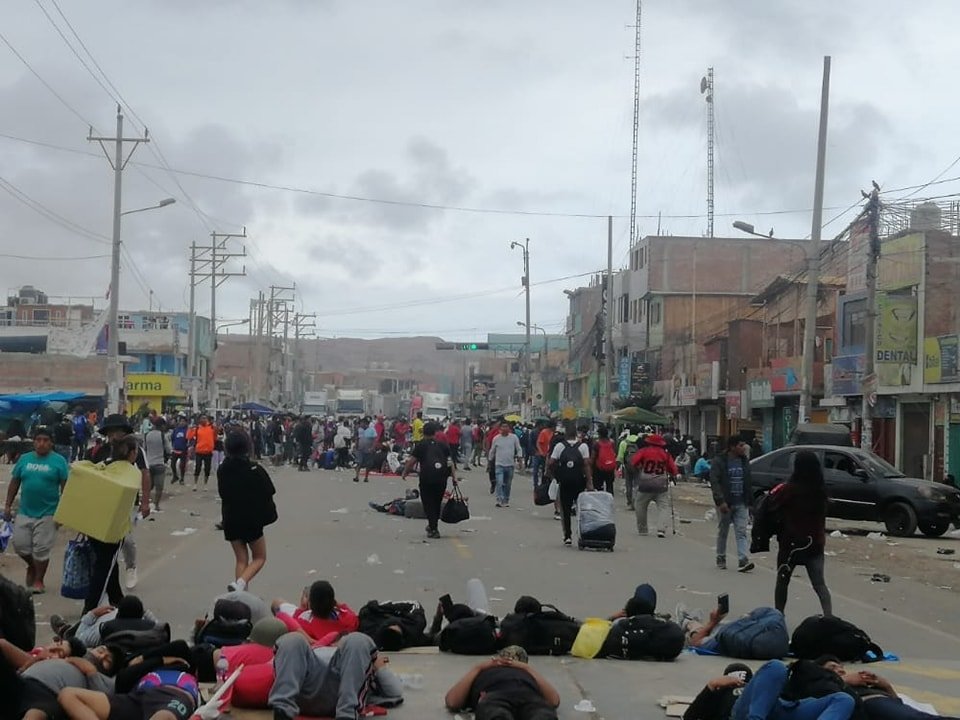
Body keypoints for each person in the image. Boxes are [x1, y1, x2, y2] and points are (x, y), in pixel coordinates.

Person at [84, 432, 151, 613]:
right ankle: (89, 610)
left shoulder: (103, 466)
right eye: (135, 451)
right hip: (113, 527)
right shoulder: (131, 472)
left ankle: (116, 599)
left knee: (107, 565)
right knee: (104, 569)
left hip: (94, 523)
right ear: (130, 453)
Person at [58, 640, 200, 720]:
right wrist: (157, 660)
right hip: (135, 699)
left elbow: (180, 646)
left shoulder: (180, 663)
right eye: (102, 654)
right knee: (68, 694)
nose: (102, 656)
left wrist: (145, 658)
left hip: (172, 693)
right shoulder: (120, 676)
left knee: (163, 717)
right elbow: (123, 679)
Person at [3, 427, 69, 594]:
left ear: (51, 443)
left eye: (45, 440)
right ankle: (32, 566)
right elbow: (14, 483)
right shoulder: (25, 459)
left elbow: (66, 489)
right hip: (25, 511)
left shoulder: (59, 461)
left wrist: (64, 512)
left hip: (48, 512)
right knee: (19, 545)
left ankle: (39, 580)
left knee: (41, 550)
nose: (41, 443)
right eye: (38, 440)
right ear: (34, 442)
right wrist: (8, 506)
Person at [769, 450, 832, 617]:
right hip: (814, 544)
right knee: (819, 585)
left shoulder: (788, 490)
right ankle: (829, 617)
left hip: (790, 544)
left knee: (782, 582)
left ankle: (778, 617)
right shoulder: (820, 492)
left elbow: (772, 507)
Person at [218, 431, 278, 593]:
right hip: (252, 521)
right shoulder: (255, 469)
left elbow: (223, 493)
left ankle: (240, 595)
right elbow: (270, 490)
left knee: (241, 560)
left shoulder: (222, 469)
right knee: (259, 557)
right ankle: (241, 584)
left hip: (231, 519)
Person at [0, 641, 120, 720]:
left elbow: (103, 700)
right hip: (24, 680)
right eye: (101, 650)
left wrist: (91, 673)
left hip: (48, 693)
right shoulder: (71, 652)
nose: (101, 656)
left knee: (35, 714)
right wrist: (32, 663)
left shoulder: (102, 678)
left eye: (107, 661)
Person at [444, 645, 560, 720]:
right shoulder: (485, 671)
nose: (508, 660)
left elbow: (554, 700)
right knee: (496, 715)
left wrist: (526, 669)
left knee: (543, 716)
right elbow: (453, 701)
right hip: (496, 696)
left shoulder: (527, 673)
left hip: (528, 697)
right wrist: (479, 668)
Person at [819, 656, 953, 720]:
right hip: (869, 703)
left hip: (884, 703)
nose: (840, 670)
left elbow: (897, 702)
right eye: (833, 667)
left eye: (841, 667)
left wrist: (885, 685)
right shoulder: (820, 683)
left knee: (920, 717)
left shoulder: (856, 682)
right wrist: (845, 680)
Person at [402, 421, 457, 539]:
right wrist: (454, 477)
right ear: (435, 432)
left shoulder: (421, 445)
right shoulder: (443, 445)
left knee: (428, 503)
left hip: (427, 478)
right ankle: (433, 526)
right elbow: (449, 462)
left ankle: (433, 528)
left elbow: (412, 461)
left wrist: (405, 472)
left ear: (423, 432)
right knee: (436, 502)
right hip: (441, 478)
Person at [710, 436, 755, 573]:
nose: (743, 448)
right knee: (723, 531)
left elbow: (748, 482)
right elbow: (715, 482)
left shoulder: (744, 461)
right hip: (726, 503)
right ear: (732, 447)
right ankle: (721, 557)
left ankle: (743, 559)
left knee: (741, 531)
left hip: (741, 502)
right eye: (741, 445)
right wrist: (720, 501)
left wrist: (750, 502)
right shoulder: (720, 461)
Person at [548, 424, 593, 546]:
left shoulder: (559, 446)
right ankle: (582, 534)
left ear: (566, 434)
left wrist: (555, 475)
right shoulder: (583, 446)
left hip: (565, 482)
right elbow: (586, 465)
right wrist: (589, 482)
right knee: (581, 509)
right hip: (579, 482)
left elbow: (551, 462)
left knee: (565, 509)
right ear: (576, 434)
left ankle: (567, 536)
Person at [272, 580, 360, 642]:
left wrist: (302, 607)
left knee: (277, 602)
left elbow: (292, 622)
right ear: (333, 602)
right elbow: (349, 613)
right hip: (324, 612)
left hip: (305, 616)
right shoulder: (349, 622)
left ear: (310, 605)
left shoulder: (305, 625)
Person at [628, 433, 678, 538]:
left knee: (640, 505)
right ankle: (661, 529)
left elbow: (633, 462)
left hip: (645, 484)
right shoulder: (665, 454)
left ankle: (643, 529)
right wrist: (671, 474)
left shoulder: (643, 451)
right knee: (663, 507)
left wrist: (639, 468)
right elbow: (673, 470)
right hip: (661, 485)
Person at [489, 421, 522, 508]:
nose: (504, 428)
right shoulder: (496, 438)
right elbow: (492, 451)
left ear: (509, 428)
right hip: (499, 464)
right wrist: (490, 461)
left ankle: (506, 499)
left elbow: (518, 449)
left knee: (508, 484)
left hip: (510, 465)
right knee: (499, 482)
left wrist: (520, 459)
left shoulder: (514, 438)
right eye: (503, 427)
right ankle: (499, 499)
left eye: (506, 427)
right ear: (500, 429)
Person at [142, 418, 171, 512]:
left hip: (149, 464)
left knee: (148, 487)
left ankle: (145, 503)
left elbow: (144, 449)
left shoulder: (147, 435)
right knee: (159, 487)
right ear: (161, 425)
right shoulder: (163, 436)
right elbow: (168, 450)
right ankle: (156, 505)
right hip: (159, 464)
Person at [617, 426, 642, 510]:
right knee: (637, 484)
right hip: (638, 466)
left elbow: (620, 457)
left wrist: (618, 466)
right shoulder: (640, 442)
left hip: (627, 466)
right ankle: (636, 501)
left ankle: (629, 502)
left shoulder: (624, 443)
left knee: (628, 484)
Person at [591, 424, 618, 495]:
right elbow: (614, 453)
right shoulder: (612, 443)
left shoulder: (596, 444)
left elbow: (593, 457)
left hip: (598, 469)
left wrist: (590, 468)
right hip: (610, 468)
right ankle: (610, 501)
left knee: (598, 487)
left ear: (599, 434)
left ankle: (600, 503)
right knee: (609, 486)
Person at [191, 415, 216, 489]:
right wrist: (191, 429)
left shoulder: (212, 428)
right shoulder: (197, 428)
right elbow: (189, 436)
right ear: (199, 420)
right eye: (202, 418)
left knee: (207, 469)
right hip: (199, 451)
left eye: (205, 418)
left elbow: (215, 437)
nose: (204, 420)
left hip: (208, 451)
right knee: (197, 467)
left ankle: (205, 484)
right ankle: (195, 484)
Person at [353, 418, 377, 483]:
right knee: (359, 462)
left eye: (362, 423)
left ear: (366, 423)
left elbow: (375, 440)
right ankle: (357, 476)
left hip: (369, 450)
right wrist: (356, 445)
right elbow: (357, 438)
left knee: (368, 464)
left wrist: (373, 447)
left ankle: (366, 477)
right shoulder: (359, 430)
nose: (361, 424)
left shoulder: (372, 430)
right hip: (360, 449)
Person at [169, 417, 189, 485]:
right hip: (175, 450)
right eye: (181, 421)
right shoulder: (176, 430)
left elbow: (188, 440)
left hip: (183, 450)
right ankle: (175, 476)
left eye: (183, 421)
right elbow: (172, 438)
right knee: (172, 464)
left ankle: (182, 478)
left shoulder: (187, 430)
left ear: (186, 422)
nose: (182, 423)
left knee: (182, 465)